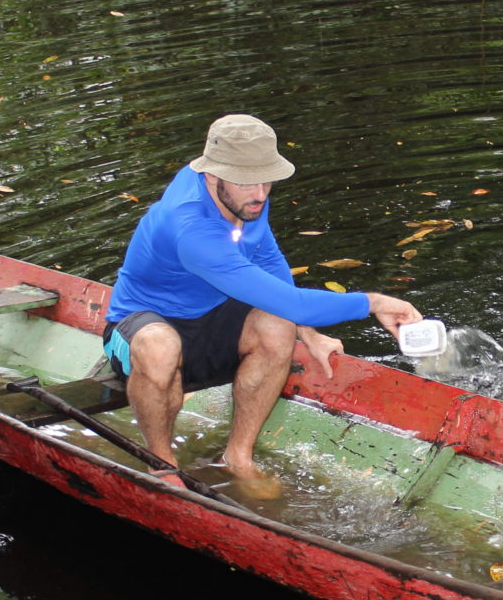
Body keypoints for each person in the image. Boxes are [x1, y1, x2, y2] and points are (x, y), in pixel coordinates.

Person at [104, 113, 421, 493]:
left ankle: (238, 456)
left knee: (277, 324)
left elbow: (269, 264)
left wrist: (310, 335)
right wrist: (374, 302)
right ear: (212, 175)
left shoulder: (245, 199)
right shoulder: (190, 228)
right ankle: (161, 461)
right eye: (245, 181)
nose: (259, 193)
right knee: (160, 347)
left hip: (210, 315)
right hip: (142, 323)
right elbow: (298, 302)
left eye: (266, 178)